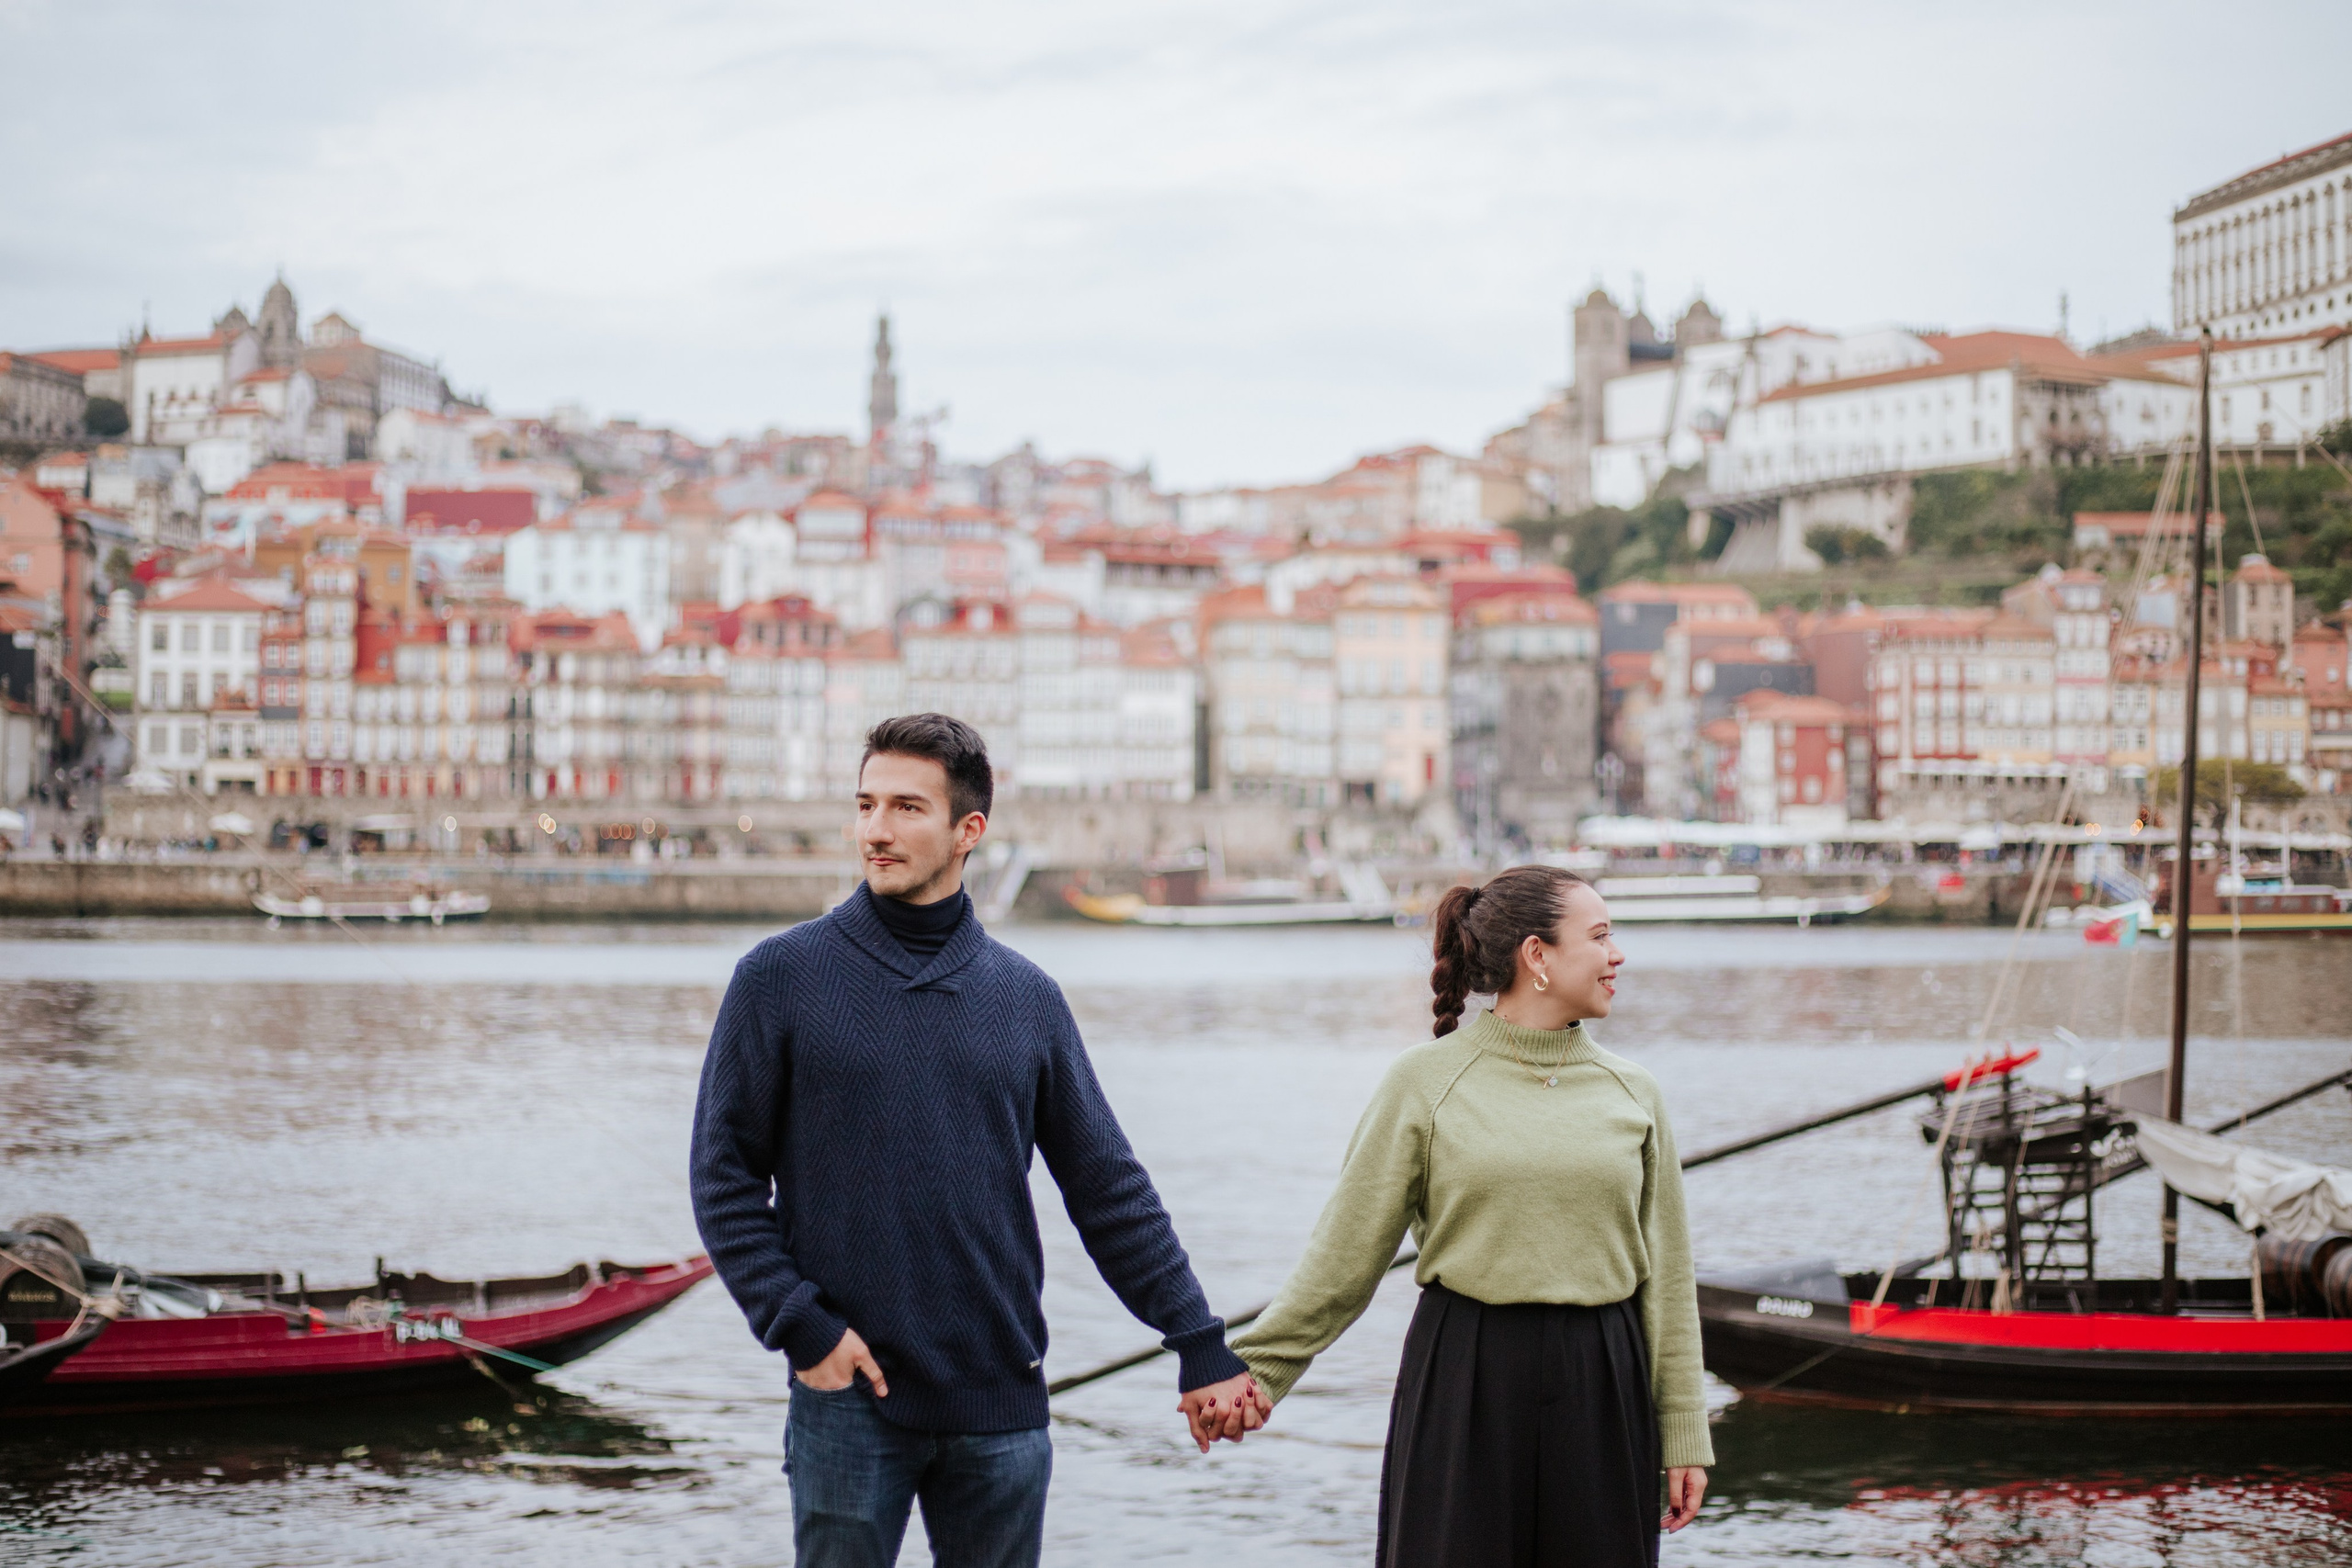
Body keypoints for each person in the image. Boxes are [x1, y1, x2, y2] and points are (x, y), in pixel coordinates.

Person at [692, 712, 1267, 1568]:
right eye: (866, 804)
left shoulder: (1026, 999)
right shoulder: (780, 978)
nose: (876, 830)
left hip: (1000, 1403)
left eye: (906, 808)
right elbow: (724, 1178)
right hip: (849, 1395)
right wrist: (800, 1327)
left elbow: (1107, 1190)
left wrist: (1200, 1344)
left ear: (970, 831)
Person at [1230, 864, 1711, 1567]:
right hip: (1466, 1378)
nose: (1618, 955)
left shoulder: (1634, 1092)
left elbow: (1667, 1275)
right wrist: (1256, 1371)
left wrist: (1683, 1432)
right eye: (1601, 936)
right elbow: (1345, 1255)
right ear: (1537, 956)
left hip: (1603, 1385)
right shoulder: (1423, 1082)